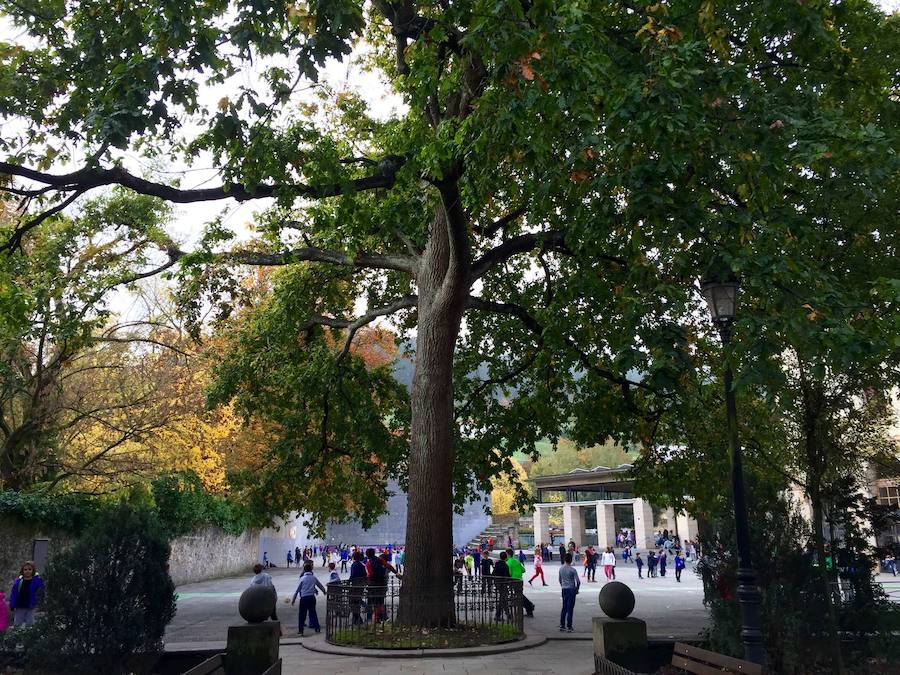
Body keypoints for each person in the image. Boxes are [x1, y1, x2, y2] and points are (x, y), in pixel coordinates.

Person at [292, 560, 327, 636]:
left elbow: (297, 590)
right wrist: (324, 591)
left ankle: (301, 631)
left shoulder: (302, 579)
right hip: (312, 598)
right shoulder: (313, 578)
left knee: (302, 615)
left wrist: (293, 600)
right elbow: (320, 585)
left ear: (304, 570)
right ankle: (317, 628)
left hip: (304, 598)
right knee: (313, 613)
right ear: (311, 570)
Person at [9, 561, 44, 626]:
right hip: (20, 605)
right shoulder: (18, 581)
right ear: (22, 571)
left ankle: (29, 635)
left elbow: (41, 590)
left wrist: (38, 601)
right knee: (17, 624)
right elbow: (14, 594)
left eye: (30, 569)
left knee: (30, 624)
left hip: (30, 606)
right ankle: (16, 635)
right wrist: (12, 605)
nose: (27, 571)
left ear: (33, 570)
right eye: (25, 569)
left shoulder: (36, 580)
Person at [505, 548, 534, 618]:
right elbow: (523, 570)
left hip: (513, 580)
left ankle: (529, 606)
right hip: (520, 580)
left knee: (519, 596)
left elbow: (509, 573)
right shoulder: (516, 561)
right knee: (519, 595)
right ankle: (528, 608)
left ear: (508, 554)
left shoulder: (508, 562)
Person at [558, 552, 580, 633]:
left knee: (564, 607)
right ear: (571, 560)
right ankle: (569, 626)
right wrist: (577, 589)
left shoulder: (561, 569)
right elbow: (578, 581)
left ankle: (562, 625)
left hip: (564, 589)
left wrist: (562, 585)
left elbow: (559, 580)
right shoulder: (573, 570)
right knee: (570, 608)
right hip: (571, 589)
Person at [348, 550, 367, 625]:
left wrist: (349, 582)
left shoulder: (354, 565)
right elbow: (365, 575)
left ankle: (357, 618)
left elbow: (352, 576)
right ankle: (357, 618)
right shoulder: (362, 565)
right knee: (357, 601)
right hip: (360, 586)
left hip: (355, 586)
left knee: (353, 602)